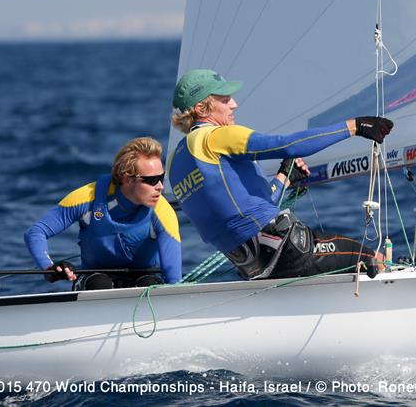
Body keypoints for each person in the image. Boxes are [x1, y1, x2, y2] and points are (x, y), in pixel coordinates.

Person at [168, 69, 393, 281]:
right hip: (291, 251)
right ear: (201, 108)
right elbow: (289, 145)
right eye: (225, 99)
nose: (234, 104)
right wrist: (355, 126)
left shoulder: (175, 162)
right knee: (373, 258)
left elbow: (248, 212)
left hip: (253, 268)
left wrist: (285, 175)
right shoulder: (215, 137)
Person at [23, 137, 181, 290]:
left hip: (145, 279)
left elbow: (174, 281)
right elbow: (36, 232)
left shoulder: (163, 212)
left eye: (161, 178)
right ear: (126, 179)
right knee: (99, 283)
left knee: (149, 285)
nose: (160, 186)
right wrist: (49, 268)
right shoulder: (86, 198)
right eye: (152, 180)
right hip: (94, 279)